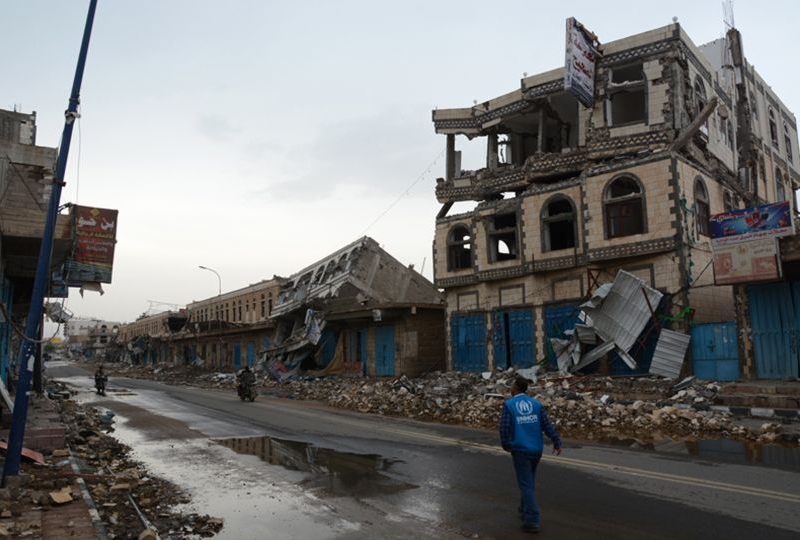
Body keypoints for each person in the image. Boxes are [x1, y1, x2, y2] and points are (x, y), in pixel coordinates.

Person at [499, 375, 562, 534]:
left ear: (516, 388)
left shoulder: (509, 405)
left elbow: (505, 428)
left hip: (520, 449)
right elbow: (546, 425)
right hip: (536, 450)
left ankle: (532, 520)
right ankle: (524, 509)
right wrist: (556, 441)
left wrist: (506, 444)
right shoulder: (536, 404)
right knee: (529, 482)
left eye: (512, 385)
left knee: (526, 484)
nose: (510, 388)